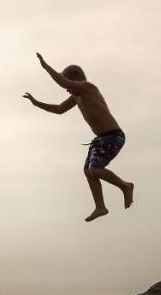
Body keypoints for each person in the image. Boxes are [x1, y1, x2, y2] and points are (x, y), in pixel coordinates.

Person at [23, 53, 135, 222]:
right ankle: (100, 207)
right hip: (102, 138)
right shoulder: (77, 96)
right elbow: (59, 109)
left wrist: (45, 66)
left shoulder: (88, 87)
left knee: (95, 169)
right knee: (88, 171)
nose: (68, 89)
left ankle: (125, 186)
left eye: (69, 84)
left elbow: (62, 82)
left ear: (77, 79)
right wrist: (36, 103)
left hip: (112, 136)